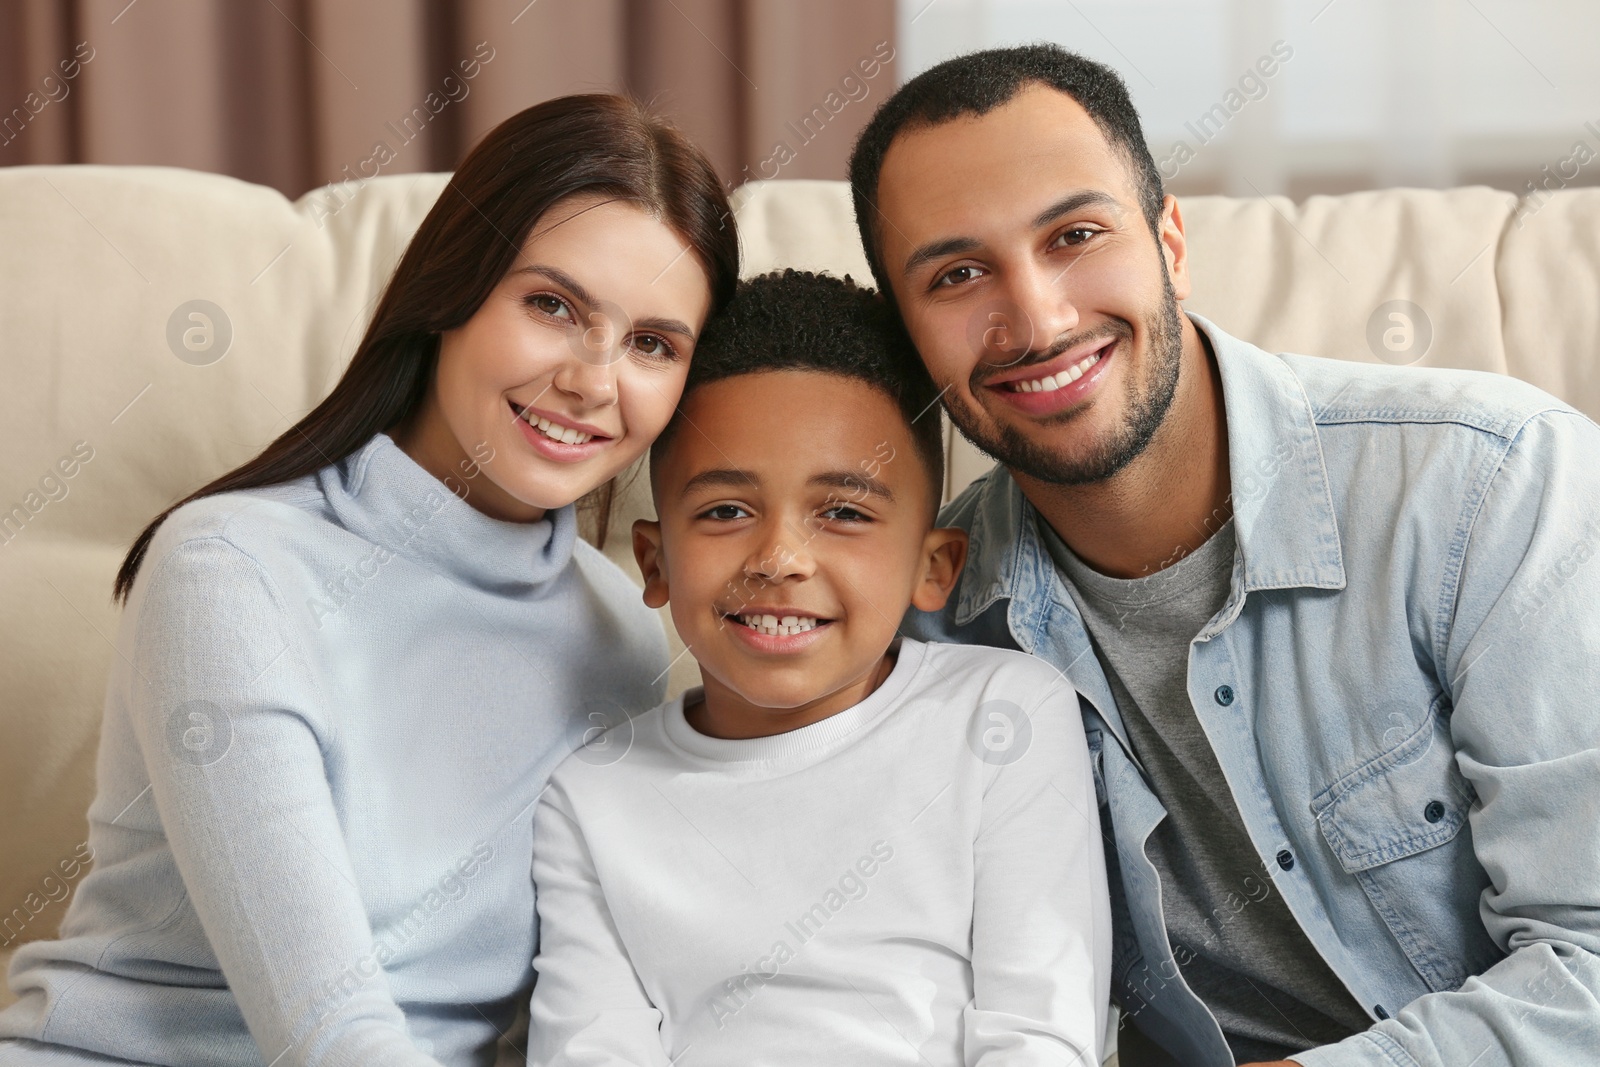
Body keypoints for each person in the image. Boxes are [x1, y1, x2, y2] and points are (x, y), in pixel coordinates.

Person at [847, 44, 1600, 1067]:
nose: (1036, 317)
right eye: (958, 273)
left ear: (1169, 241)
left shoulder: (1492, 486)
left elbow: (1590, 967)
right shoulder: (917, 617)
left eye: (1074, 234)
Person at [0, 94, 737, 1067]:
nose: (594, 380)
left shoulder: (625, 638)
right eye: (552, 305)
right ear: (453, 292)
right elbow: (330, 1033)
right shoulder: (231, 568)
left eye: (652, 343)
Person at [523, 270, 1112, 1067]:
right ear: (655, 564)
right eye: (726, 511)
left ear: (932, 567)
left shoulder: (1002, 717)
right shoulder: (590, 797)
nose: (779, 559)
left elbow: (1039, 1034)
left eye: (843, 512)